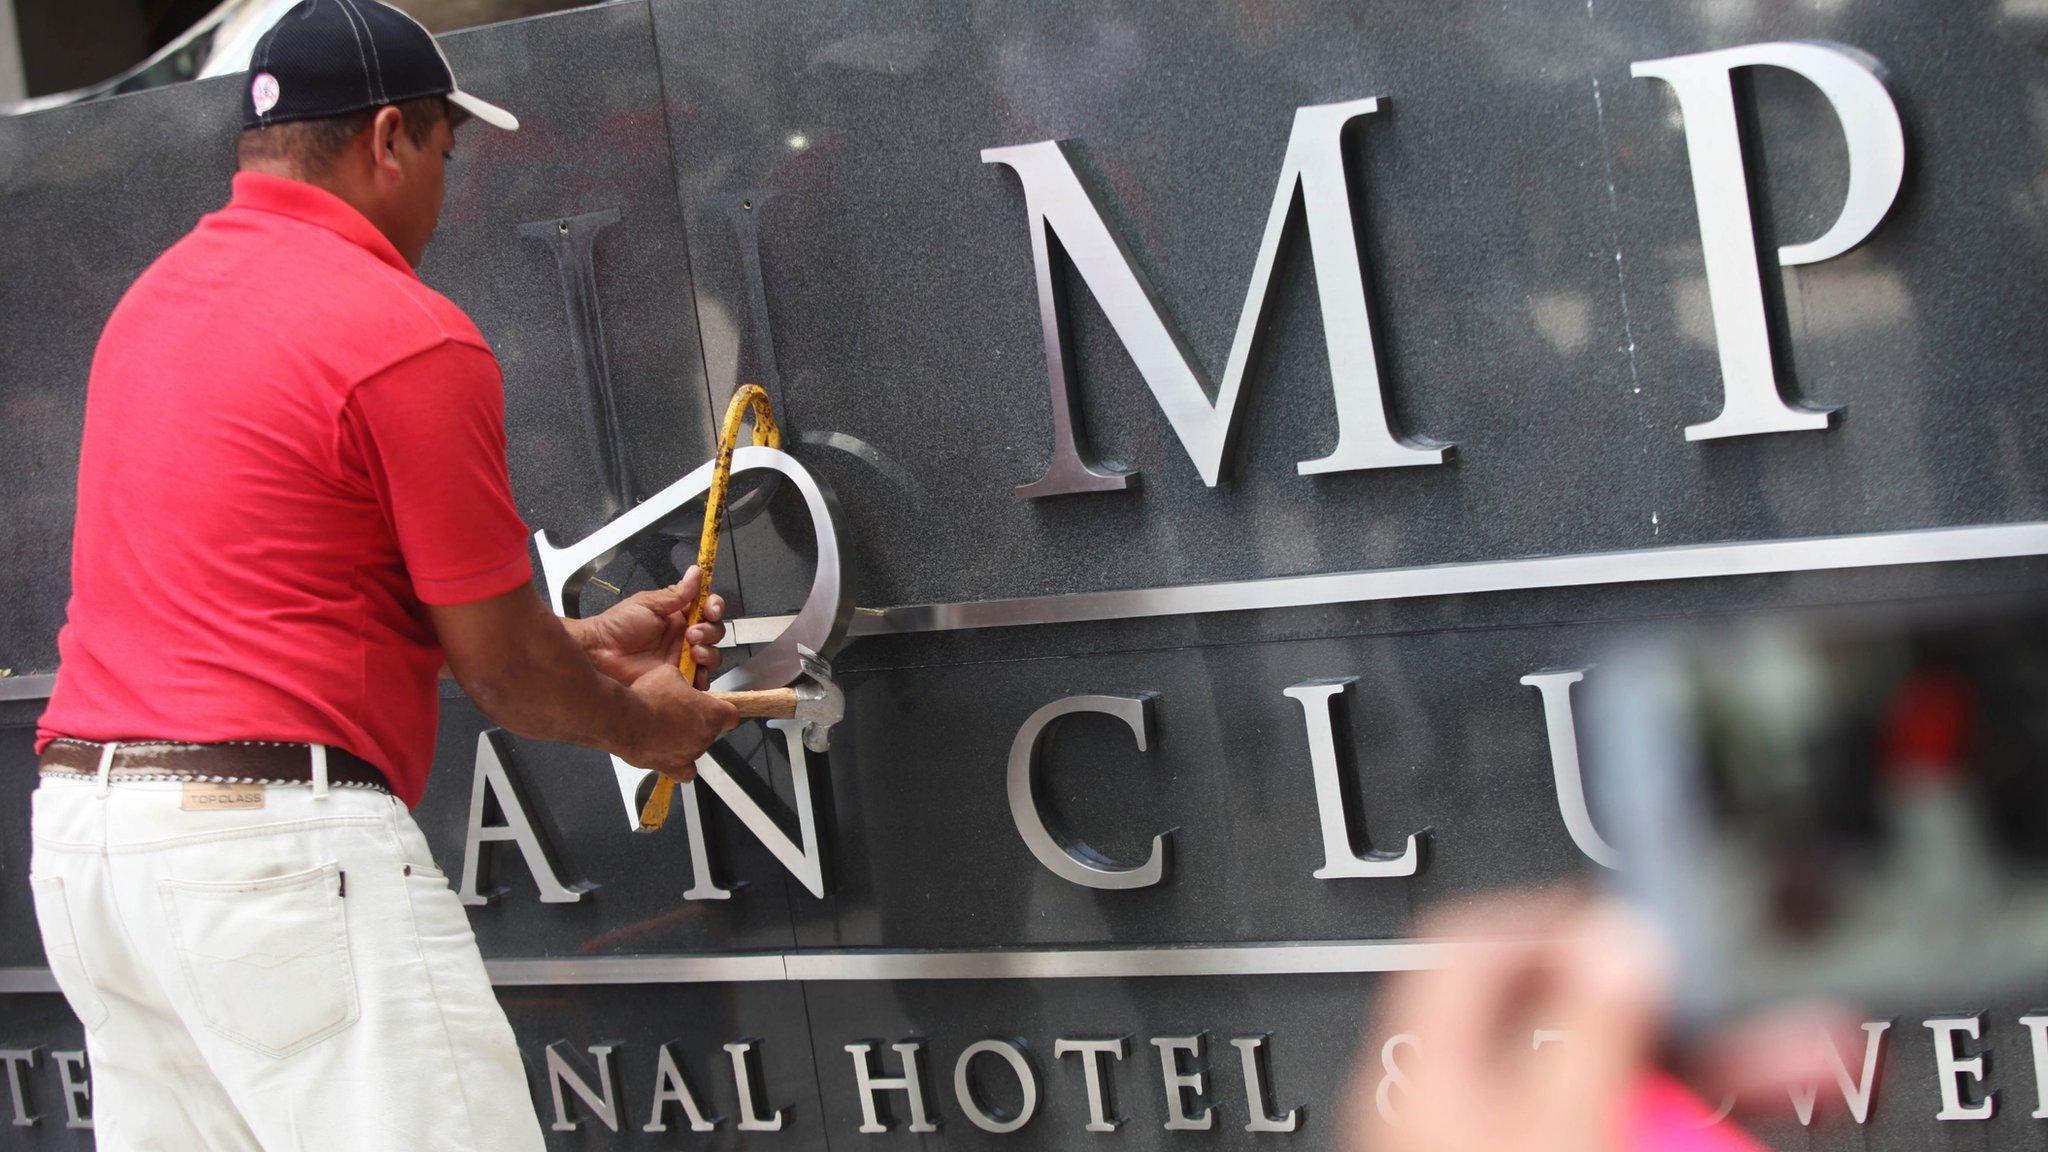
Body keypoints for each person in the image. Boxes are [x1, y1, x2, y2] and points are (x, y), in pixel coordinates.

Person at [25, 2, 737, 1148]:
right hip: (270, 858)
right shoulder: (400, 330)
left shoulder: (152, 304)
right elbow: (501, 673)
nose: (442, 201)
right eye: (446, 159)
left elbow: (299, 588)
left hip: (92, 856)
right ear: (389, 138)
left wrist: (578, 647)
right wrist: (648, 729)